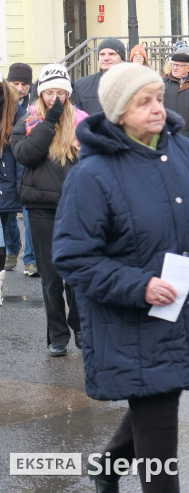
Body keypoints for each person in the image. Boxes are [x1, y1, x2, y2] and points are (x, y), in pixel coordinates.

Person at [52, 62, 189, 493]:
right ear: (119, 112)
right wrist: (138, 287)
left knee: (159, 396)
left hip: (178, 307)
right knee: (158, 424)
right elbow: (72, 256)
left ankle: (107, 467)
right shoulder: (92, 173)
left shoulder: (188, 154)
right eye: (144, 102)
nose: (157, 108)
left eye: (158, 98)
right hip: (129, 319)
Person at [11, 64, 88, 356]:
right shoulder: (28, 121)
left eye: (61, 93)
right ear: (40, 94)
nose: (55, 98)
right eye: (49, 93)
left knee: (77, 275)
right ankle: (58, 335)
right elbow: (26, 155)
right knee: (52, 277)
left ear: (68, 94)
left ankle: (80, 327)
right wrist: (51, 121)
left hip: (76, 207)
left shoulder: (82, 121)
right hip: (41, 207)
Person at [8, 64, 37, 276]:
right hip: (7, 164)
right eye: (16, 83)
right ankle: (12, 248)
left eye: (24, 84)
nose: (20, 87)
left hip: (28, 163)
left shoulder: (36, 103)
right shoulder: (4, 102)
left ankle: (30, 260)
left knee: (29, 215)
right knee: (7, 216)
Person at [0, 78, 24, 283]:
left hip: (7, 165)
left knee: (8, 218)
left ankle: (13, 248)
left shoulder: (13, 107)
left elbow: (21, 143)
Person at [74, 38, 126, 114]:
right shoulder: (81, 85)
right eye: (102, 54)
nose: (106, 58)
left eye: (112, 54)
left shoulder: (134, 85)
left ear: (122, 59)